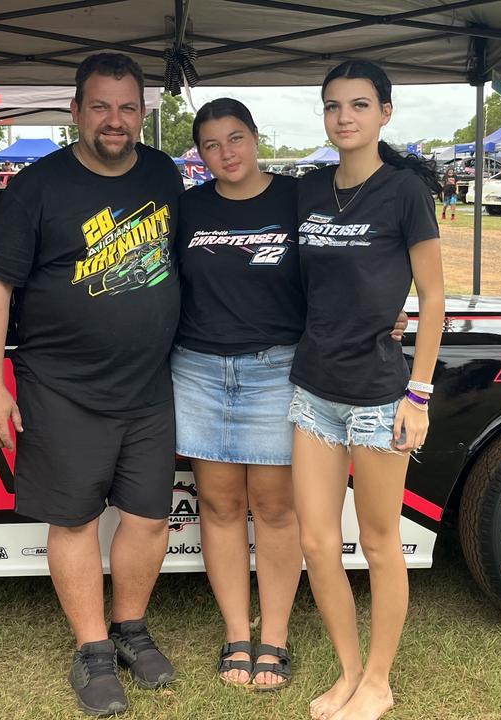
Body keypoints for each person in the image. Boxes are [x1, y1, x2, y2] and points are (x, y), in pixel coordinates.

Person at [0, 53, 182, 717]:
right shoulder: (38, 187)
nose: (114, 121)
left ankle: (131, 629)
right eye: (100, 107)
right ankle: (92, 650)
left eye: (126, 108)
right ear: (76, 112)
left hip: (149, 385)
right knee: (75, 519)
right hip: (60, 385)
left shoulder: (162, 172)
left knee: (149, 518)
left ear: (141, 114)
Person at [290, 60, 445, 720]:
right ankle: (349, 671)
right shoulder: (307, 191)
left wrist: (418, 395)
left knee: (380, 542)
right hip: (313, 391)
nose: (343, 117)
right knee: (319, 543)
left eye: (358, 104)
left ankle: (380, 681)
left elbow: (434, 298)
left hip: (382, 394)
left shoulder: (405, 192)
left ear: (385, 112)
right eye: (332, 106)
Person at [174, 98, 303, 691]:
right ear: (200, 154)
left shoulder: (296, 198)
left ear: (255, 137)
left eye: (236, 139)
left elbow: (346, 264)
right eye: (211, 145)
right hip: (198, 370)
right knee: (220, 506)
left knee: (275, 508)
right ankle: (236, 635)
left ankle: (273, 636)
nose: (226, 153)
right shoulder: (187, 207)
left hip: (276, 370)